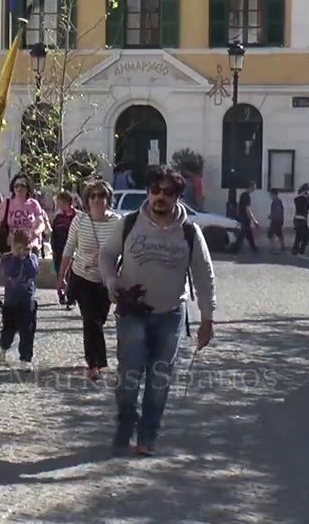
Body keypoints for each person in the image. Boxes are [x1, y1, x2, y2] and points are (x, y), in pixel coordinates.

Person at [99, 165, 215, 456]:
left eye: (168, 192)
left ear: (178, 196)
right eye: (155, 190)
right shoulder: (128, 224)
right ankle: (126, 421)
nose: (160, 197)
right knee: (129, 376)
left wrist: (207, 318)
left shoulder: (190, 232)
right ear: (148, 192)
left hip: (171, 314)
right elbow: (107, 255)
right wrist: (111, 280)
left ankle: (148, 436)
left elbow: (204, 274)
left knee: (159, 379)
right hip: (132, 311)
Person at [57, 181, 121, 381]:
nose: (97, 199)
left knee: (98, 320)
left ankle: (91, 356)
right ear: (86, 200)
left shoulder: (118, 222)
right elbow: (69, 249)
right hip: (82, 277)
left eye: (101, 195)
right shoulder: (80, 221)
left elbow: (125, 250)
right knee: (91, 320)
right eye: (92, 196)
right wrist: (61, 278)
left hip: (105, 280)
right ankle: (95, 364)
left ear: (108, 198)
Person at [0, 229, 39, 370]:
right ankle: (3, 347)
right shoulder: (6, 258)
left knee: (27, 330)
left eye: (24, 248)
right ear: (12, 245)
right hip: (11, 301)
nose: (21, 251)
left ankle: (26, 358)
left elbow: (33, 272)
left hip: (27, 300)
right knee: (8, 329)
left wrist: (26, 257)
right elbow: (10, 272)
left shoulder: (32, 258)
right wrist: (15, 257)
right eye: (18, 248)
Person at [0, 173, 47, 255]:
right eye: (16, 186)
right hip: (12, 247)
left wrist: (35, 232)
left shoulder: (33, 204)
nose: (19, 188)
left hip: (30, 246)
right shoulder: (7, 203)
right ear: (13, 188)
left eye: (22, 186)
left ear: (27, 188)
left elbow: (41, 224)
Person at [49, 191, 77, 308]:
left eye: (59, 201)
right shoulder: (58, 217)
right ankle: (61, 293)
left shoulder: (77, 216)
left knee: (71, 273)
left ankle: (70, 296)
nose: (58, 204)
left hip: (73, 249)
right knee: (59, 270)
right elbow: (53, 233)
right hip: (58, 248)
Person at [232, 181, 260, 254]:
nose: (254, 189)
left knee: (248, 233)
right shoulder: (246, 196)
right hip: (244, 217)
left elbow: (239, 205)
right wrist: (254, 220)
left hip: (243, 216)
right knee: (243, 233)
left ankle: (253, 247)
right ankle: (234, 249)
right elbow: (247, 209)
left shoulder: (243, 195)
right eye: (254, 187)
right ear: (250, 187)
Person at [291, 184, 309, 258]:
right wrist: (303, 194)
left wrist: (307, 196)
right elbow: (297, 200)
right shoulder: (299, 199)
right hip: (300, 220)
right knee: (305, 236)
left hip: (301, 220)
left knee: (299, 236)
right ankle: (300, 252)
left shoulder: (307, 200)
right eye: (308, 193)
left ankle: (295, 251)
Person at [267, 189, 287, 254]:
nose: (270, 196)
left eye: (271, 195)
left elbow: (277, 211)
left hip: (276, 220)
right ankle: (282, 246)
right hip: (279, 220)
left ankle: (273, 248)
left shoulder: (276, 202)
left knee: (270, 234)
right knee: (279, 233)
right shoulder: (278, 201)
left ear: (274, 195)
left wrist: (272, 216)